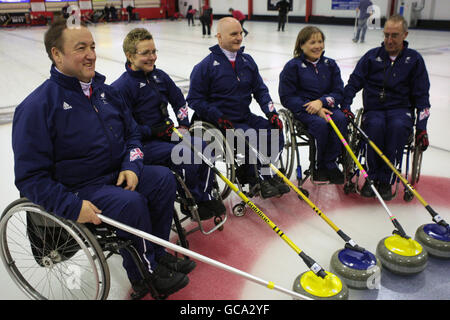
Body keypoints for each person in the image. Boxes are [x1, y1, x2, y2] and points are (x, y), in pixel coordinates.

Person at [11, 19, 195, 298]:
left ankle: (156, 253)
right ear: (56, 54)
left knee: (161, 179)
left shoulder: (106, 94)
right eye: (81, 48)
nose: (91, 54)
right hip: (81, 188)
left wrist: (132, 166)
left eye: (93, 46)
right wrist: (71, 206)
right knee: (130, 203)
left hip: (116, 174)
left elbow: (133, 135)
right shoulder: (37, 107)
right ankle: (146, 275)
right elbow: (30, 178)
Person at [111, 28, 225, 220]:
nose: (152, 57)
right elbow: (125, 129)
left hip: (168, 133)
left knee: (204, 147)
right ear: (130, 56)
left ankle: (205, 196)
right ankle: (193, 201)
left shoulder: (159, 76)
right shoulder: (121, 88)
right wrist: (153, 131)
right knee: (186, 155)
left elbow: (179, 100)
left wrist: (184, 124)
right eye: (145, 53)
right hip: (145, 143)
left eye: (154, 51)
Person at [187, 17, 289, 199]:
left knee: (274, 130)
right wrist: (217, 116)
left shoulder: (247, 61)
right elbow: (194, 99)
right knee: (251, 135)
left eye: (241, 33)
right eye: (234, 34)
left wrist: (271, 113)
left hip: (244, 115)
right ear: (219, 37)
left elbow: (260, 90)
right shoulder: (205, 66)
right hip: (220, 122)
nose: (239, 37)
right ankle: (258, 177)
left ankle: (263, 173)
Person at [342, 14, 431, 200]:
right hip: (374, 109)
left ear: (405, 34)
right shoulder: (371, 57)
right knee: (374, 127)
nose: (389, 40)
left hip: (401, 110)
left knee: (396, 128)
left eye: (395, 35)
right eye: (386, 35)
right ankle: (372, 177)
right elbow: (353, 83)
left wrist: (421, 129)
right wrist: (346, 105)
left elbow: (422, 97)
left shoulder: (414, 60)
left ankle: (387, 179)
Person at [279, 26, 348, 184]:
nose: (317, 46)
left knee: (341, 120)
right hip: (305, 110)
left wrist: (321, 102)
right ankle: (318, 166)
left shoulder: (330, 64)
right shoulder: (293, 66)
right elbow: (287, 96)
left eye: (320, 41)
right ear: (301, 45)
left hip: (328, 107)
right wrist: (312, 107)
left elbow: (338, 91)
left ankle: (331, 164)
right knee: (320, 124)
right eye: (312, 42)